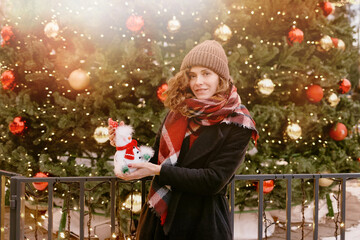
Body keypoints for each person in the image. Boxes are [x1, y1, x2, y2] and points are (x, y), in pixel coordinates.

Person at [109, 40, 258, 240]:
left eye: (206, 73)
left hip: (203, 223)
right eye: (192, 75)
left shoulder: (238, 123)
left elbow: (213, 180)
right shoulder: (178, 113)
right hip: (157, 221)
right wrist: (125, 145)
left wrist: (159, 170)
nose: (198, 82)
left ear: (220, 78)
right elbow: (154, 162)